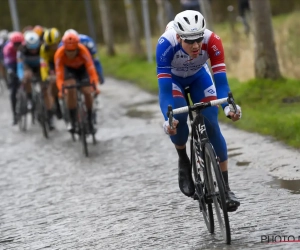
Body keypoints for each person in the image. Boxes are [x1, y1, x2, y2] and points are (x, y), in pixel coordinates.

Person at [156, 10, 242, 212]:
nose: (196, 46)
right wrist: (168, 119)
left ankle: (226, 188)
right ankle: (183, 160)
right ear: (178, 37)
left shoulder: (213, 41)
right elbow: (165, 91)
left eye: (198, 40)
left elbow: (221, 84)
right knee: (179, 118)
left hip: (198, 77)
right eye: (189, 41)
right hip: (174, 81)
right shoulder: (165, 45)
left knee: (212, 122)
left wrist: (229, 107)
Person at [54, 32, 100, 133]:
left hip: (82, 69)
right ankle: (73, 119)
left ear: (77, 48)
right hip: (69, 70)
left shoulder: (83, 50)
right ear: (64, 48)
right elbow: (59, 75)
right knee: (70, 89)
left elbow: (91, 70)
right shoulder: (59, 54)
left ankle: (90, 118)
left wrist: (95, 85)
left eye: (73, 51)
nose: (70, 54)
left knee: (87, 91)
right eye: (68, 51)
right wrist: (61, 89)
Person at [17, 31, 49, 126]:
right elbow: (19, 66)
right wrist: (21, 77)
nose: (34, 51)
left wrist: (46, 76)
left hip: (40, 67)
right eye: (31, 49)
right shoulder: (21, 50)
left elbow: (45, 63)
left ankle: (48, 111)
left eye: (35, 48)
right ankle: (30, 98)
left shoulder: (42, 47)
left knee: (45, 86)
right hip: (28, 67)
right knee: (27, 76)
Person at [40, 27, 63, 121]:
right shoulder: (44, 49)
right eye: (50, 46)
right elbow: (43, 64)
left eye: (54, 45)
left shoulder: (63, 45)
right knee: (52, 81)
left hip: (62, 61)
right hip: (51, 63)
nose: (52, 47)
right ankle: (56, 104)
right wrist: (45, 77)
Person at [3, 32, 24, 125]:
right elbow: (8, 63)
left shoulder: (24, 48)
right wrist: (11, 71)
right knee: (13, 91)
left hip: (22, 65)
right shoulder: (8, 49)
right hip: (12, 66)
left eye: (19, 44)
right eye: (16, 44)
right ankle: (15, 115)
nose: (17, 46)